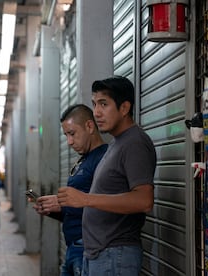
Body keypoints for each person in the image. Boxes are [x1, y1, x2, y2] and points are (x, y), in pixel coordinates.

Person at [57, 76, 156, 276]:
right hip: (100, 254)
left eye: (104, 104)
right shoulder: (116, 144)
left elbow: (144, 200)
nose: (97, 113)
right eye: (94, 104)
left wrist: (85, 199)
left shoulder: (134, 143)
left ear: (124, 108)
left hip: (115, 255)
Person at [31, 104, 108, 276]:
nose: (69, 142)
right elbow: (77, 207)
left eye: (72, 134)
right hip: (73, 247)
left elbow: (106, 207)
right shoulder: (83, 161)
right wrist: (54, 209)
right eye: (66, 135)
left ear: (89, 126)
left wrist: (63, 204)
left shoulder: (105, 159)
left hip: (88, 248)